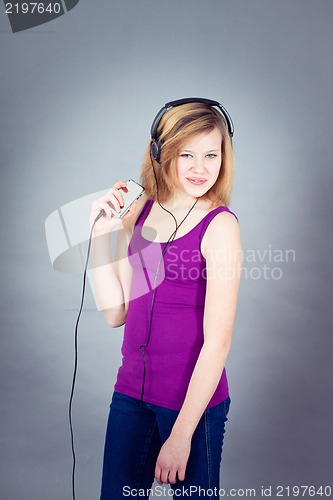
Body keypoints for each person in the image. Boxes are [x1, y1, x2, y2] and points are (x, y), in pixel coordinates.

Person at [90, 99, 242, 499]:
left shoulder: (220, 226)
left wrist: (180, 435)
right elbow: (115, 313)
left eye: (211, 155)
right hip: (131, 395)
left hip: (193, 407)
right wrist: (99, 239)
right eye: (186, 154)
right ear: (161, 153)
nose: (199, 168)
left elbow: (218, 342)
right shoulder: (140, 211)